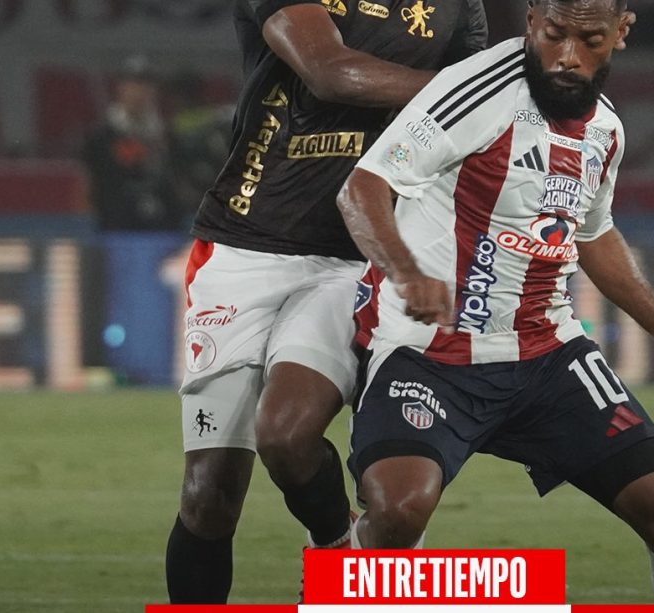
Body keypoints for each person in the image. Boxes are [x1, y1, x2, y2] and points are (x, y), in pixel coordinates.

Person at [336, 0, 654, 610]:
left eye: (589, 40)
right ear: (532, 20)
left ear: (621, 33)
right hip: (431, 353)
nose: (567, 56)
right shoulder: (475, 88)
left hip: (546, 355)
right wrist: (405, 271)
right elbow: (362, 188)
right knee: (398, 511)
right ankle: (343, 570)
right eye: (555, 34)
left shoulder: (605, 130)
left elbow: (594, 236)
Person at [165, 0, 491, 604]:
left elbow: (468, 132)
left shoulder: (455, 8)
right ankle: (340, 547)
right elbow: (328, 71)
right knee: (208, 495)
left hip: (354, 257)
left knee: (286, 436)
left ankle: (336, 547)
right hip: (240, 250)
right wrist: (468, 91)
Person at [82, 56, 183, 231]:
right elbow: (88, 184)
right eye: (133, 85)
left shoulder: (167, 135)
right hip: (115, 228)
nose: (139, 92)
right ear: (121, 88)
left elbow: (177, 181)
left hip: (163, 227)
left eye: (145, 86)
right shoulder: (102, 136)